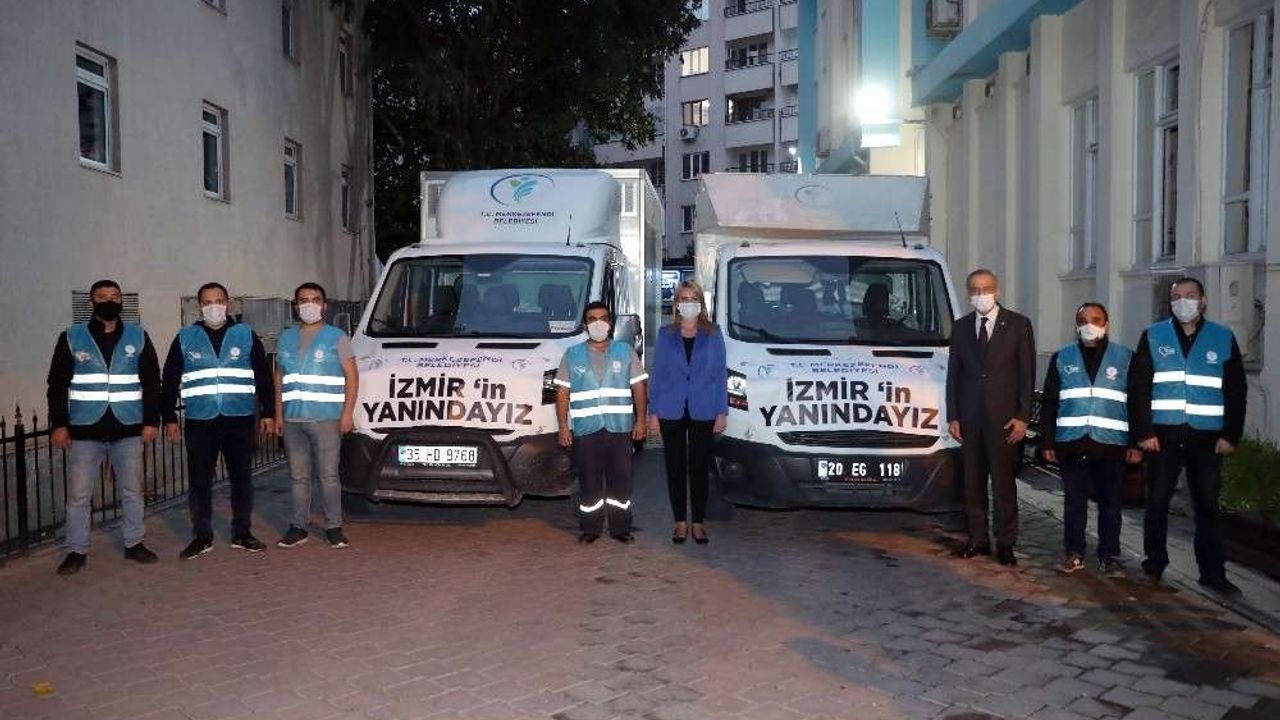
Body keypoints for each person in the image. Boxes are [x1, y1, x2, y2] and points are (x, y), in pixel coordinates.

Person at [1130, 277, 1247, 597]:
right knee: (1157, 502)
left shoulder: (1222, 337)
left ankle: (1213, 573)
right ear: (1170, 303)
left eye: (1190, 295)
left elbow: (1236, 390)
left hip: (1206, 438)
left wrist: (1231, 434)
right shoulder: (1153, 335)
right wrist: (1144, 432)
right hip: (1162, 436)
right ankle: (1154, 565)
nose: (1184, 301)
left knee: (1207, 506)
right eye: (1177, 297)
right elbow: (1139, 388)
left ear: (1203, 300)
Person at [47, 280, 162, 574]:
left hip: (128, 428)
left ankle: (134, 543)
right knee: (79, 496)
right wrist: (59, 424)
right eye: (102, 296)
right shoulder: (72, 337)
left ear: (121, 300)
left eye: (114, 296)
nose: (109, 301)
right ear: (92, 302)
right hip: (85, 430)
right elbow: (56, 385)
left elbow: (152, 382)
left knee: (132, 491)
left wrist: (151, 421)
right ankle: (76, 550)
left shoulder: (138, 335)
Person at [162, 282, 275, 559]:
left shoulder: (245, 334)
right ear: (199, 306)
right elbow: (170, 379)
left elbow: (263, 375)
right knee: (200, 482)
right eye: (208, 302)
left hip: (240, 419)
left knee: (242, 480)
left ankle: (242, 533)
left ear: (228, 303)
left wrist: (269, 412)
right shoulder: (185, 337)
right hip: (201, 421)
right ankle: (202, 537)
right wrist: (169, 417)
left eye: (219, 300)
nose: (214, 306)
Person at [1040, 303, 1142, 577]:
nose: (1089, 325)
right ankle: (1074, 553)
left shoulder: (1125, 358)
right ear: (1076, 325)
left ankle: (1109, 556)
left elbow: (1136, 403)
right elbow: (1049, 403)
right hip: (1072, 442)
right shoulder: (1062, 358)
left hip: (1111, 444)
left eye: (1096, 320)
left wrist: (1135, 443)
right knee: (1074, 502)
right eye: (1083, 320)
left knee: (1111, 505)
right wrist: (1047, 442)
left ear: (1106, 325)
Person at [946, 269, 1035, 566]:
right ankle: (977, 538)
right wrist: (953, 415)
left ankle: (1006, 543)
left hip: (1004, 420)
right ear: (968, 293)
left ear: (997, 290)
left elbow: (1027, 374)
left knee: (1003, 485)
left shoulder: (1018, 325)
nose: (980, 294)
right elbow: (954, 375)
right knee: (972, 483)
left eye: (986, 289)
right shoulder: (961, 328)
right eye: (974, 289)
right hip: (970, 419)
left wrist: (1023, 416)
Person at [273, 283, 359, 549]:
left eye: (315, 299)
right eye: (303, 300)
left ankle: (334, 526)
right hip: (293, 420)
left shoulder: (337, 337)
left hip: (326, 419)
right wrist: (278, 415)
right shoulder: (285, 337)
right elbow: (279, 378)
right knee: (298, 477)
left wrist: (347, 414)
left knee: (328, 476)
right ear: (295, 305)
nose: (309, 304)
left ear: (324, 305)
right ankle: (299, 526)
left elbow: (352, 377)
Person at [555, 302, 648, 543]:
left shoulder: (625, 351)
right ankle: (591, 529)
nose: (598, 323)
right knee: (589, 482)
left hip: (620, 428)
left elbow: (639, 387)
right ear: (585, 325)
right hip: (586, 430)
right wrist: (563, 427)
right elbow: (562, 393)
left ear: (610, 322)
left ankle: (620, 528)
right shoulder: (572, 354)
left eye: (603, 318)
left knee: (621, 481)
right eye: (592, 319)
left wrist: (641, 421)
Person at [647, 281, 727, 545]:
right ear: (677, 303)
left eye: (693, 298)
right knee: (675, 466)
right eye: (684, 298)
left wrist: (722, 411)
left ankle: (698, 522)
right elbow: (658, 375)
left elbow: (720, 374)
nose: (688, 303)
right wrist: (653, 412)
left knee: (699, 467)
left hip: (704, 408)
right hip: (671, 408)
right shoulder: (666, 334)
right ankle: (680, 522)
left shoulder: (713, 333)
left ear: (700, 303)